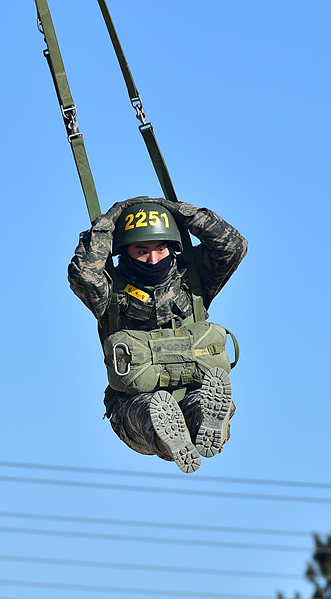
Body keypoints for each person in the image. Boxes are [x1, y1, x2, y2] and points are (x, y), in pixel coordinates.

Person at [68, 196, 247, 473]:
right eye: (142, 251)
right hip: (135, 403)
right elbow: (83, 275)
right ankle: (171, 441)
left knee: (200, 405)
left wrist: (183, 213)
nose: (153, 259)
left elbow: (233, 247)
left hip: (195, 387)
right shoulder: (111, 292)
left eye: (161, 249)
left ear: (172, 249)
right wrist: (108, 223)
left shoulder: (192, 279)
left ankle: (211, 425)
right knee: (152, 411)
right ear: (124, 252)